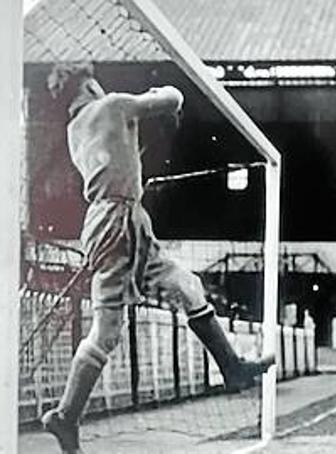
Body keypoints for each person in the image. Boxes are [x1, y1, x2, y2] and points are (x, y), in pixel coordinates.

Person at [41, 62, 274, 454]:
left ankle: (232, 367)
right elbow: (172, 98)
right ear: (89, 84)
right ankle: (65, 416)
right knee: (106, 330)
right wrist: (160, 94)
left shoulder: (73, 129)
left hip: (117, 221)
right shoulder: (113, 104)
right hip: (119, 222)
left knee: (187, 285)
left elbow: (115, 154)